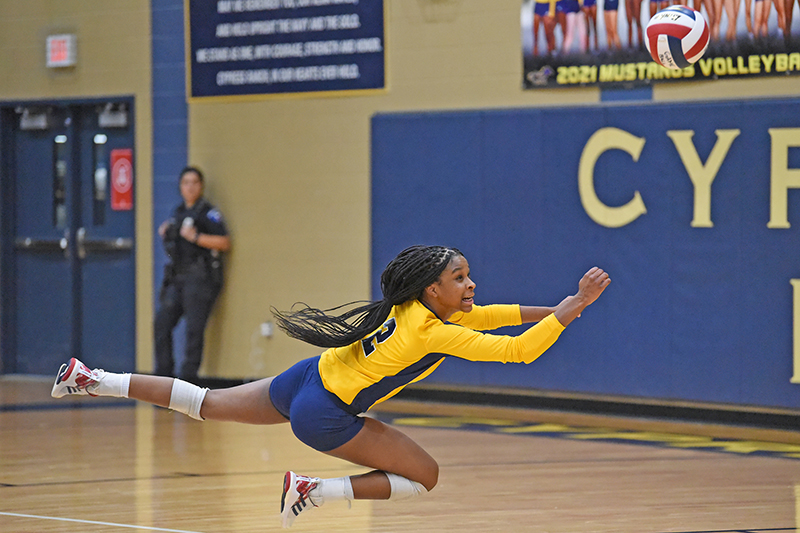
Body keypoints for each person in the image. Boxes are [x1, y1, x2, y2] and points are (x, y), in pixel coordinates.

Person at [51, 245, 610, 529]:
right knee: (426, 477)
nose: (471, 284)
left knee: (205, 403)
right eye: (460, 278)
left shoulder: (419, 308)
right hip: (325, 413)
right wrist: (571, 311)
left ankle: (90, 378)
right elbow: (516, 348)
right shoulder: (431, 333)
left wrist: (567, 306)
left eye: (468, 275)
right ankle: (314, 490)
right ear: (432, 289)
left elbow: (499, 315)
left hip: (307, 378)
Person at [154, 166, 231, 383]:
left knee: (193, 331)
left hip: (200, 279)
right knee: (161, 324)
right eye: (186, 183)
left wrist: (196, 237)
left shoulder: (208, 213)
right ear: (180, 187)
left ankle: (188, 380)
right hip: (177, 278)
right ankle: (163, 378)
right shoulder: (177, 213)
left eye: (194, 182)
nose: (190, 187)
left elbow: (224, 242)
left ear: (201, 186)